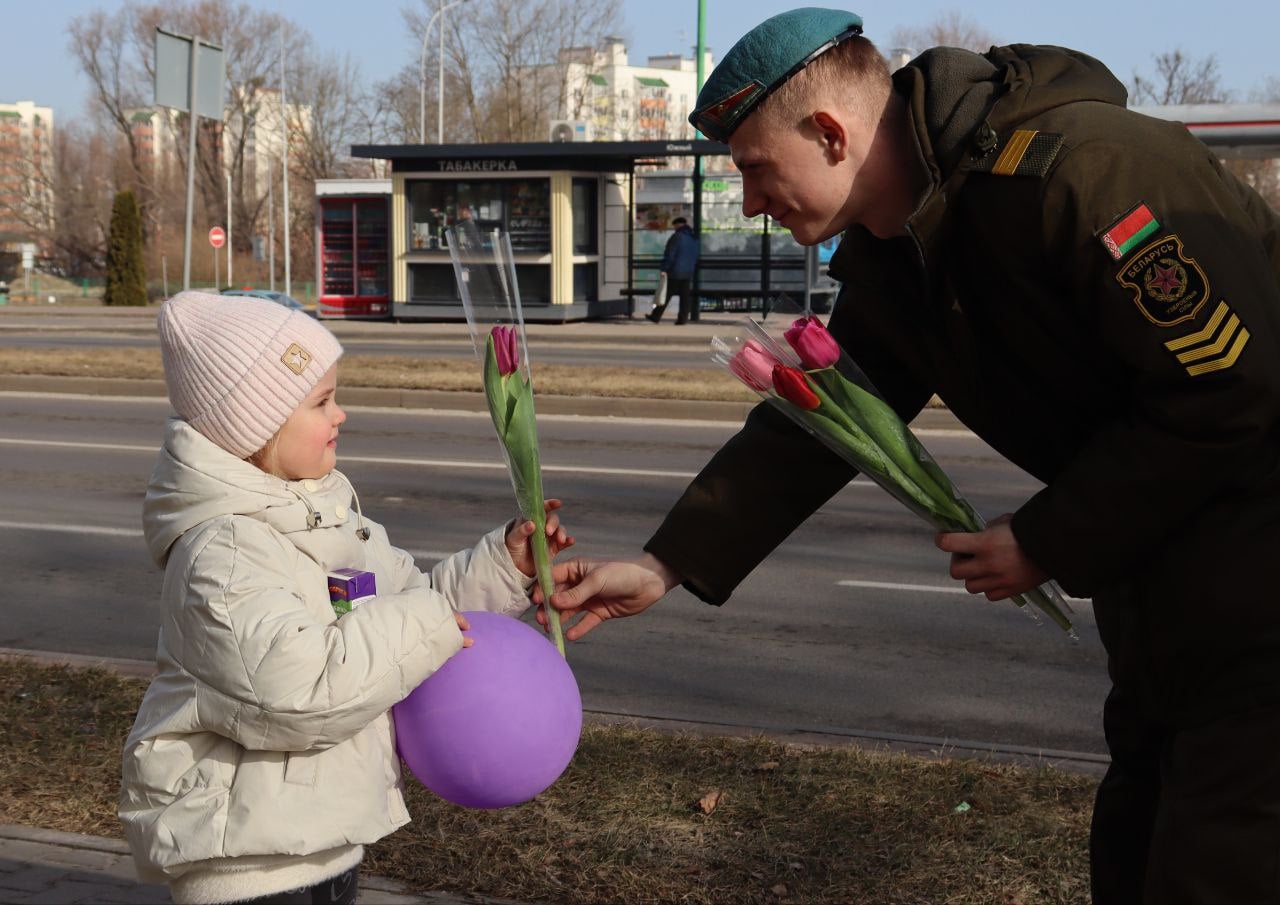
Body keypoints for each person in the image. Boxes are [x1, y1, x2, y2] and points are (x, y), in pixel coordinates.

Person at [544, 8, 1280, 903]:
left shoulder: (1086, 174)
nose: (751, 204)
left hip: (1255, 591)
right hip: (1169, 602)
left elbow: (1233, 389)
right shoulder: (902, 250)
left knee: (1215, 867)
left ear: (830, 133)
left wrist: (1046, 538)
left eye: (755, 169)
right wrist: (667, 562)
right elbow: (825, 421)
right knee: (1135, 849)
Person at [119, 290, 572, 905]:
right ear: (255, 428)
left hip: (324, 842)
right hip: (248, 865)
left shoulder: (329, 518)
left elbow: (415, 607)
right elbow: (298, 693)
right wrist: (431, 619)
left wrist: (502, 566)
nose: (341, 415)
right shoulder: (223, 553)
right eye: (321, 402)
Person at [646, 216, 701, 324]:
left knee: (666, 294)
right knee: (685, 297)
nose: (674, 228)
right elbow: (695, 255)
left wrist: (664, 268)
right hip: (688, 272)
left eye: (674, 226)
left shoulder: (677, 237)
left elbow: (670, 254)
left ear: (678, 225)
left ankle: (655, 316)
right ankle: (682, 319)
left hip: (675, 271)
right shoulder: (693, 238)